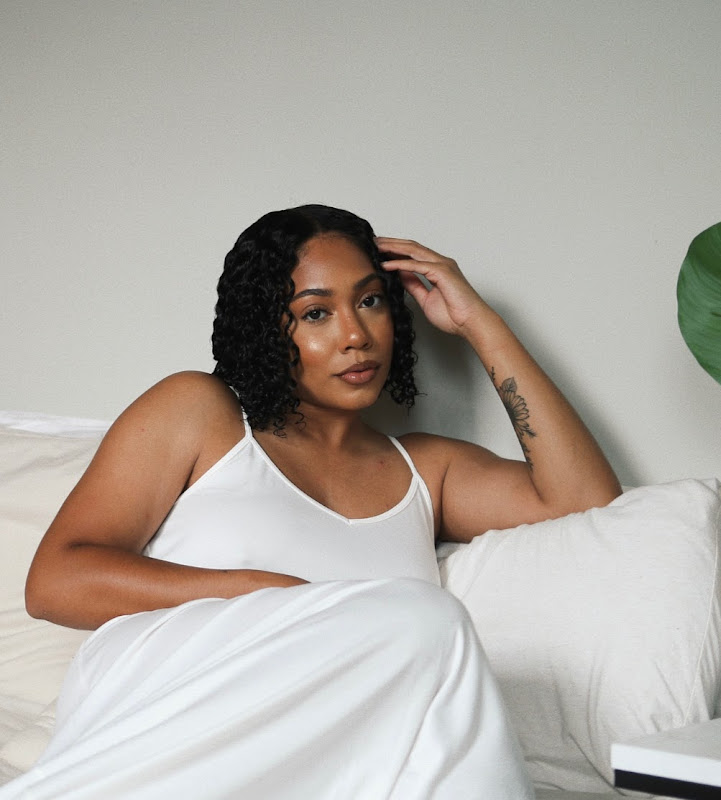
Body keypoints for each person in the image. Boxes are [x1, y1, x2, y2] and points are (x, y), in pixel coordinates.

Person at [6, 205, 621, 799]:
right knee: (432, 622)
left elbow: (587, 499)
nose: (356, 335)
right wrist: (261, 594)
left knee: (428, 651)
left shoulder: (425, 471)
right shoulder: (201, 413)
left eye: (371, 301)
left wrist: (480, 323)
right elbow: (57, 581)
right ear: (266, 328)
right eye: (316, 313)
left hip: (319, 754)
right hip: (168, 706)